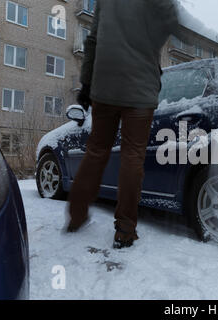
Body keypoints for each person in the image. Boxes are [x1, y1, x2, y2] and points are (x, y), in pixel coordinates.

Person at [67, 0, 180, 249]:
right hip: (140, 88)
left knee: (96, 150)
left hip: (105, 85)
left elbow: (93, 40)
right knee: (133, 156)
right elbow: (173, 23)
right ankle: (125, 229)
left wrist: (86, 83)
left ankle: (76, 215)